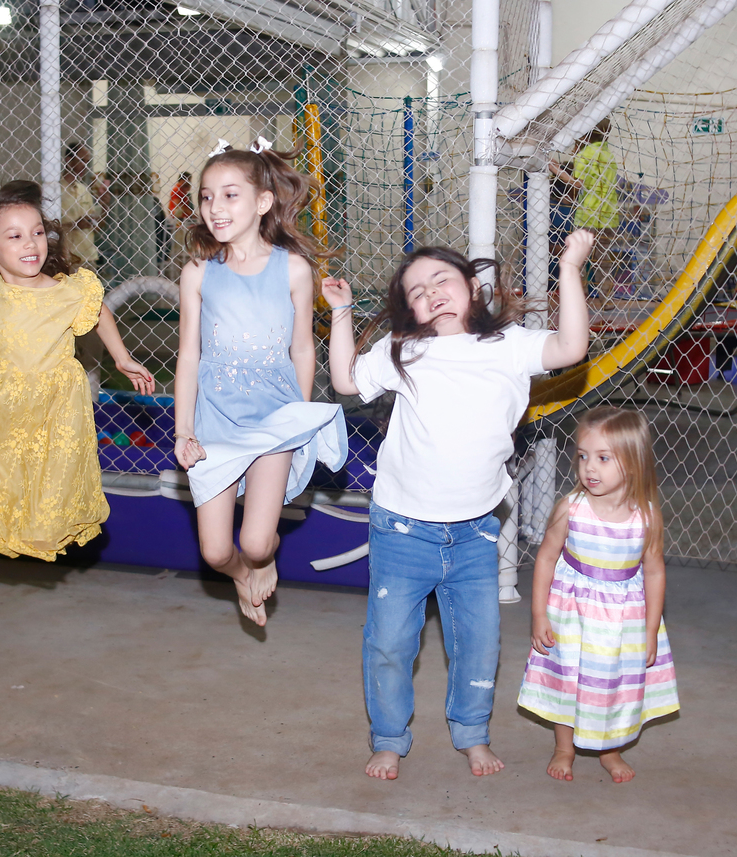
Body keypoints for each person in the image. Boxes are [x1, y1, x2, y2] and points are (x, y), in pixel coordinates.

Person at [322, 230, 595, 780]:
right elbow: (346, 380)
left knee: (478, 644)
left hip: (475, 532)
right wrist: (342, 312)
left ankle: (472, 732)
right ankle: (389, 738)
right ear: (410, 311)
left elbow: (571, 348)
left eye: (442, 280)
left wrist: (569, 266)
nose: (433, 293)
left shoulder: (510, 345)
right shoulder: (405, 350)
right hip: (402, 529)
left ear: (473, 287)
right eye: (418, 292)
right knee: (390, 643)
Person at [0, 180, 154, 571]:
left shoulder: (68, 290)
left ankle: (43, 527)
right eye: (15, 236)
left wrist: (121, 357)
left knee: (51, 470)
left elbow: (99, 312)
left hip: (52, 399)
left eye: (36, 233)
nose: (31, 244)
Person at [174, 138, 347, 628]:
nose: (214, 207)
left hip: (275, 417)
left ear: (263, 201)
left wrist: (300, 418)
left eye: (230, 194)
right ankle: (238, 575)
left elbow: (301, 349)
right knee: (215, 552)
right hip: (215, 419)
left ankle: (263, 558)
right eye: (206, 196)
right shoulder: (198, 272)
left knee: (254, 542)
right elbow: (189, 354)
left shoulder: (293, 268)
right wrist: (183, 430)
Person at [517, 406, 679, 784]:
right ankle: (564, 746)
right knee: (568, 677)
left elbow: (654, 571)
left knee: (612, 681)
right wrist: (539, 615)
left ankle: (610, 747)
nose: (590, 467)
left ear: (634, 463)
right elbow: (545, 558)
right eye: (584, 456)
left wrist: (651, 628)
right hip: (571, 611)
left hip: (622, 620)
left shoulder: (647, 516)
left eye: (603, 458)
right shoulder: (571, 509)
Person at [549, 118, 621, 301]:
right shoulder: (609, 156)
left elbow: (578, 183)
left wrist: (555, 169)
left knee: (578, 259)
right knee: (604, 262)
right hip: (609, 217)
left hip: (587, 216)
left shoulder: (584, 155)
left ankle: (576, 298)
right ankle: (608, 299)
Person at [61, 142, 108, 270]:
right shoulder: (55, 190)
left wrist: (104, 206)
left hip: (89, 257)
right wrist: (74, 225)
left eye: (88, 162)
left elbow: (97, 227)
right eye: (82, 160)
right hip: (68, 258)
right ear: (68, 161)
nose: (85, 166)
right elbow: (47, 227)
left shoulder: (84, 190)